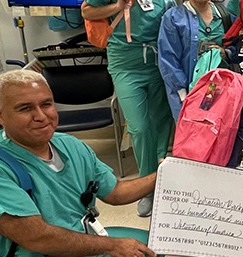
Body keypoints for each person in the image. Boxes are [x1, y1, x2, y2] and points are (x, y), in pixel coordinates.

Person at [0, 70, 158, 257]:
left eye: (46, 104)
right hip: (40, 251)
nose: (41, 116)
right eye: (25, 108)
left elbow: (115, 192)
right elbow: (37, 238)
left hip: (80, 238)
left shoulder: (70, 146)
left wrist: (163, 174)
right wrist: (112, 246)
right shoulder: (5, 167)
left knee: (157, 247)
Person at [81, 0, 175, 217]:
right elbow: (87, 9)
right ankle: (146, 186)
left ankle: (161, 178)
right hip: (127, 63)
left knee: (163, 124)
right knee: (139, 126)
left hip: (159, 61)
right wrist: (117, 6)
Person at [158, 0, 234, 120]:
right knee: (194, 139)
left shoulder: (224, 15)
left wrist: (226, 53)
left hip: (219, 90)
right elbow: (168, 60)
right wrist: (185, 95)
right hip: (187, 92)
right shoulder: (173, 18)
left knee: (220, 138)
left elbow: (238, 50)